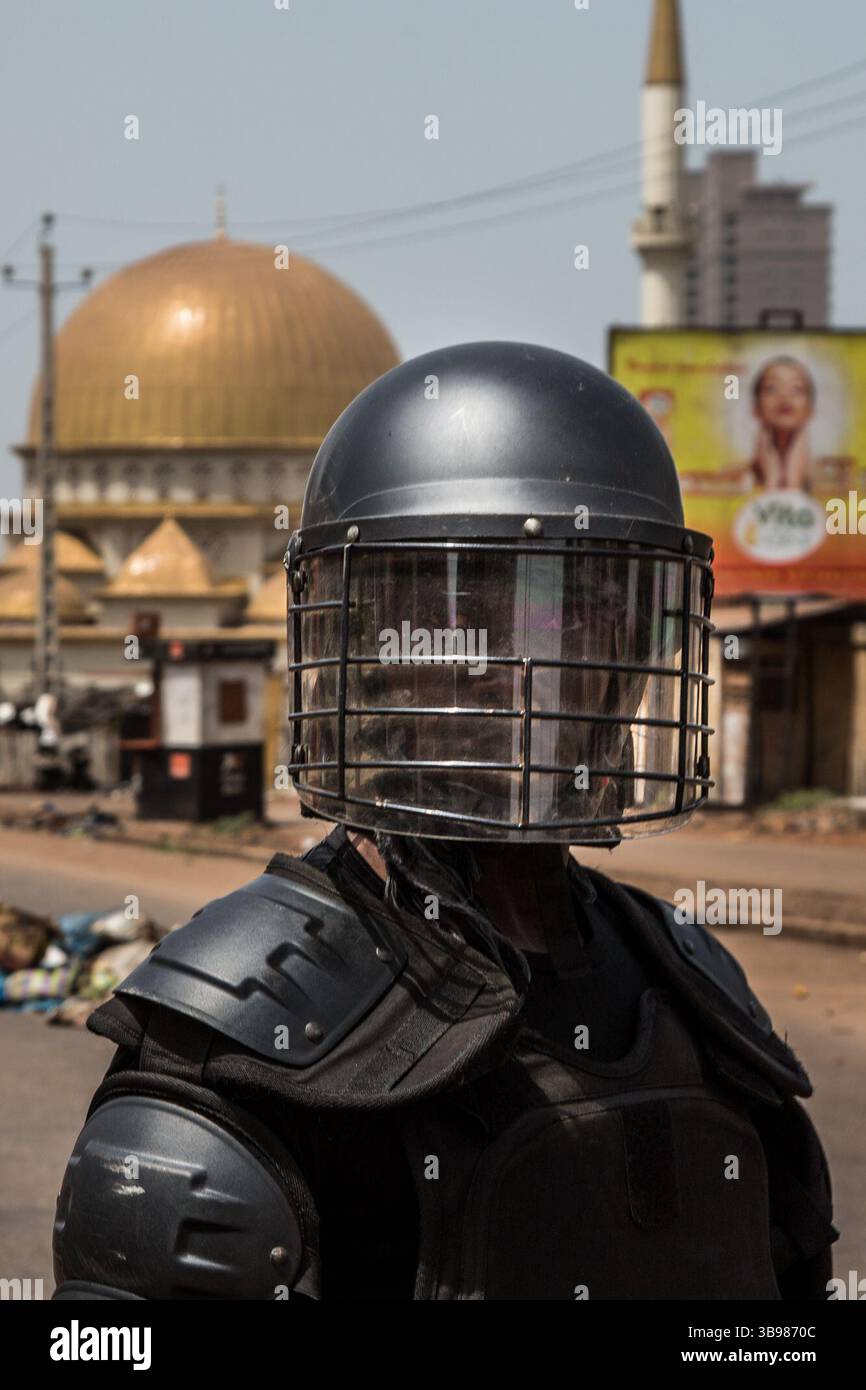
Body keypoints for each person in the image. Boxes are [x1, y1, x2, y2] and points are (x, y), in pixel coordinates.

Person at [52, 342, 836, 1301]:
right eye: (459, 609)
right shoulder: (239, 1034)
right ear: (371, 648)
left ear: (634, 653)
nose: (511, 663)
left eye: (579, 606)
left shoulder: (694, 994)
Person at [744, 355, 816, 492]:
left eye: (797, 389)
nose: (784, 396)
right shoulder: (738, 479)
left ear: (811, 409)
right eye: (772, 388)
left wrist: (793, 481)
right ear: (755, 407)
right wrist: (771, 479)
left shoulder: (827, 479)